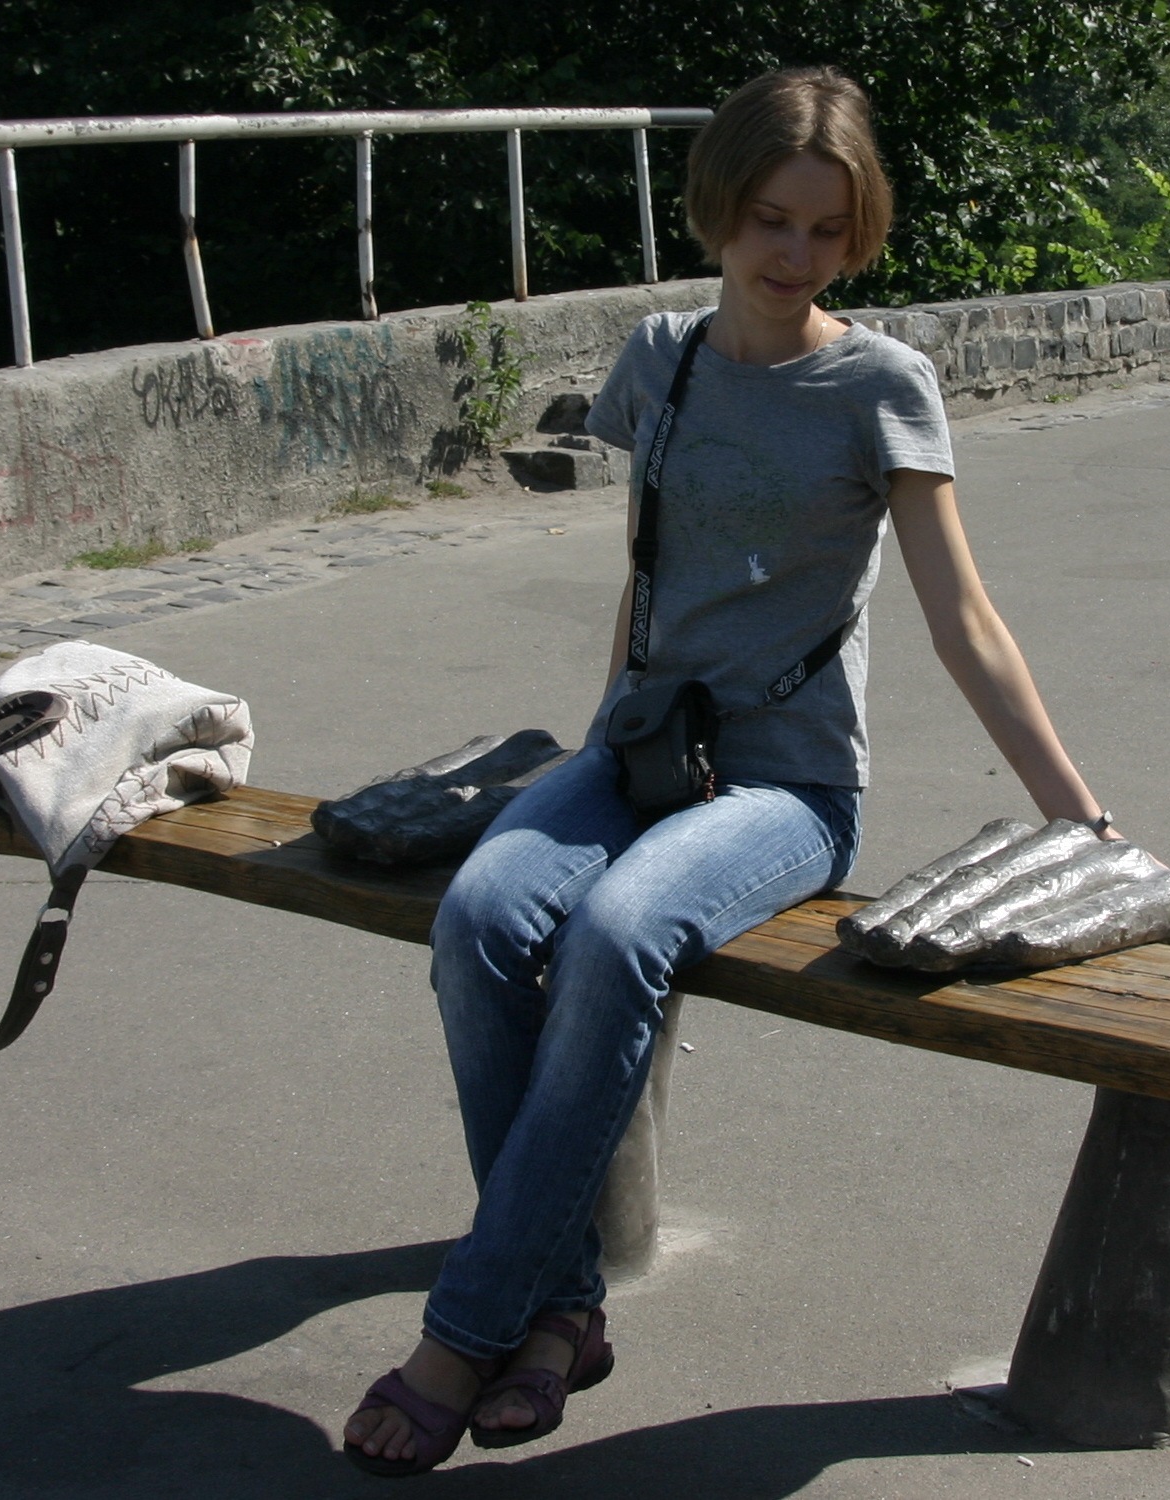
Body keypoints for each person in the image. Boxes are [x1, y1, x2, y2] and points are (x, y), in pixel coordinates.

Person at [343, 65, 1122, 1476]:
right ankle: (562, 1312)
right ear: (717, 211)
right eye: (770, 220)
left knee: (618, 931)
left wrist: (1078, 815)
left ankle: (466, 1331)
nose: (793, 255)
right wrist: (593, 754)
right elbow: (648, 581)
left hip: (786, 790)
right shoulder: (661, 361)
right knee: (481, 915)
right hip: (639, 749)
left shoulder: (879, 386)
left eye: (826, 230)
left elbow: (962, 618)